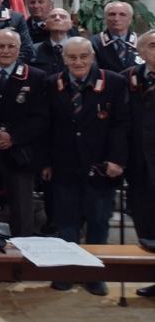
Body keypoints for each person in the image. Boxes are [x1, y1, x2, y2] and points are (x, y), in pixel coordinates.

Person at [44, 37, 129, 296]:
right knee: (66, 221)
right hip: (64, 165)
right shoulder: (52, 84)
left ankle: (94, 274)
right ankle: (68, 271)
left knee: (98, 220)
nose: (78, 62)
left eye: (83, 56)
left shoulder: (114, 82)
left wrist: (117, 159)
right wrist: (46, 162)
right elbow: (46, 127)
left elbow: (121, 125)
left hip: (101, 166)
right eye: (72, 57)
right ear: (64, 59)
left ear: (92, 56)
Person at [0, 30, 48, 236]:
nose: (6, 50)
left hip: (20, 155)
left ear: (19, 50)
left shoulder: (36, 77)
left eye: (11, 46)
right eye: (0, 46)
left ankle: (22, 261)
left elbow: (41, 117)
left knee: (22, 215)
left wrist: (13, 137)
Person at [124, 29, 155, 297]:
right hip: (139, 164)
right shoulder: (129, 77)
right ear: (141, 51)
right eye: (152, 46)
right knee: (146, 225)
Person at [91, 1, 141, 73]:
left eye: (122, 14)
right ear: (105, 19)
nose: (116, 19)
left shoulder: (142, 41)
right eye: (112, 14)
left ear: (130, 20)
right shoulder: (93, 42)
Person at [31, 8, 74, 75]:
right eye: (53, 16)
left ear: (71, 24)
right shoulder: (35, 49)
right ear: (46, 24)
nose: (57, 18)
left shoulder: (80, 48)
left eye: (63, 17)